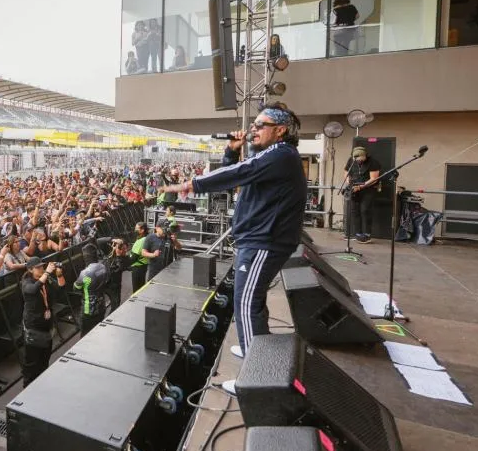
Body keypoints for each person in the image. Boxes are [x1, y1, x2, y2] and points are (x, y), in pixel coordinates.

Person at [161, 103, 306, 394]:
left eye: (260, 125)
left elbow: (244, 169)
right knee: (253, 301)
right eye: (253, 125)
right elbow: (235, 171)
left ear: (280, 130)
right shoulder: (273, 155)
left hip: (265, 240)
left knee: (245, 304)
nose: (254, 129)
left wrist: (193, 183)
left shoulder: (282, 155)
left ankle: (259, 379)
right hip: (258, 239)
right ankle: (258, 349)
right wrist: (232, 149)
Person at [19, 257, 65, 387]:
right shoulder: (26, 282)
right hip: (33, 329)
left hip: (46, 326)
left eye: (42, 266)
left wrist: (60, 274)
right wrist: (46, 273)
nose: (42, 269)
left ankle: (41, 385)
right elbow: (33, 290)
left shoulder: (47, 280)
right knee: (32, 363)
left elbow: (61, 289)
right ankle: (27, 389)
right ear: (30, 270)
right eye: (38, 267)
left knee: (44, 360)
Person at [341, 146, 381, 243]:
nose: (359, 161)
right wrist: (348, 181)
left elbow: (373, 179)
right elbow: (346, 171)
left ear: (365, 156)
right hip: (354, 188)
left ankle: (367, 234)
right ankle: (358, 234)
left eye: (361, 160)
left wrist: (361, 187)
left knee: (365, 210)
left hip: (368, 189)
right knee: (355, 211)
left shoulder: (373, 162)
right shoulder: (351, 160)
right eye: (357, 160)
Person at [73, 244, 109, 336]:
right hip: (101, 306)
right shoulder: (103, 266)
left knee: (85, 335)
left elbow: (76, 288)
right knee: (98, 332)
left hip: (89, 310)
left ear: (86, 257)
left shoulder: (85, 273)